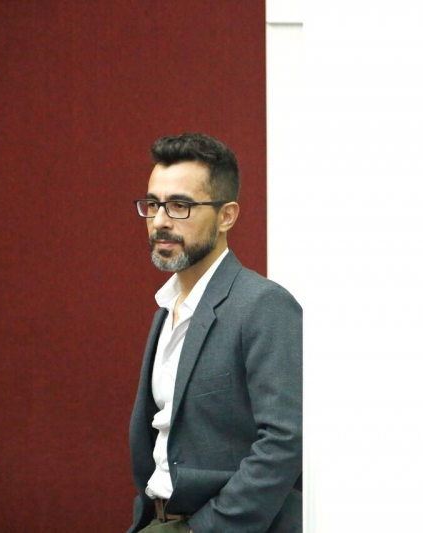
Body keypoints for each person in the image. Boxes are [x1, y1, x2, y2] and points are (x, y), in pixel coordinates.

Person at [127, 133, 303, 533]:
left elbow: (285, 440)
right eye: (153, 204)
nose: (160, 221)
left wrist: (204, 528)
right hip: (158, 519)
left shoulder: (263, 305)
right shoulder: (166, 310)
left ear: (227, 216)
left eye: (180, 206)